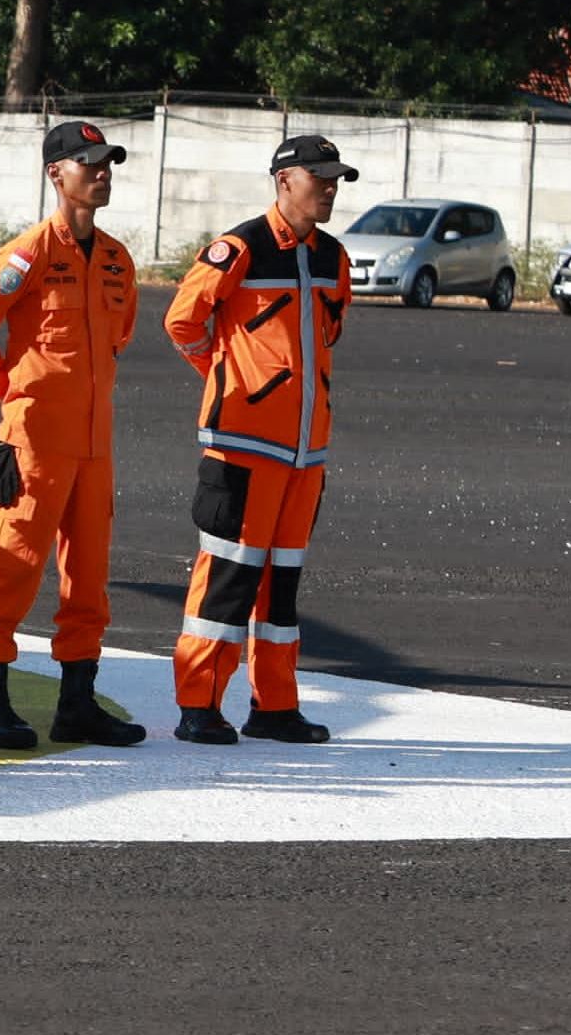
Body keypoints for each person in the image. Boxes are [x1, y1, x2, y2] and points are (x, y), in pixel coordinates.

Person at [0, 120, 151, 750]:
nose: (101, 172)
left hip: (94, 447)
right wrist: (8, 394)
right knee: (11, 570)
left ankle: (77, 705)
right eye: (87, 163)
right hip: (33, 443)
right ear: (54, 173)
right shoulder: (28, 252)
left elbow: (118, 338)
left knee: (87, 580)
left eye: (107, 163)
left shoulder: (117, 258)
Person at [161, 132, 357, 745]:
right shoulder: (238, 247)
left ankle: (274, 705)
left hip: (306, 452)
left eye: (335, 177)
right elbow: (184, 321)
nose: (328, 187)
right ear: (283, 181)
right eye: (318, 176)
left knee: (282, 586)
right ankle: (199, 703)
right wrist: (230, 380)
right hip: (243, 445)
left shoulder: (333, 256)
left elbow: (329, 335)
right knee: (226, 578)